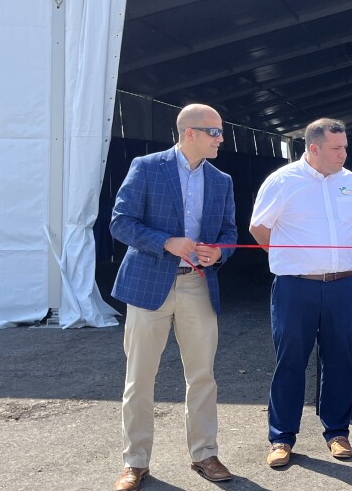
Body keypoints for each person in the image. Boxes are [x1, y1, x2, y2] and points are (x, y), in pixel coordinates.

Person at [109, 104, 238, 491]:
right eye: (214, 132)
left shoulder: (221, 180)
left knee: (202, 376)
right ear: (189, 133)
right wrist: (165, 241)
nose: (221, 139)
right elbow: (120, 222)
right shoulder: (147, 167)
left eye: (221, 131)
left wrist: (220, 252)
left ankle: (204, 453)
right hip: (148, 284)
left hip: (198, 284)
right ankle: (135, 462)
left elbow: (229, 232)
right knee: (139, 377)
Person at [249, 117, 352, 468]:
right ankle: (281, 438)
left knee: (339, 360)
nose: (343, 154)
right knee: (290, 361)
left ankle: (337, 433)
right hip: (296, 286)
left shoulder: (351, 181)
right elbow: (259, 228)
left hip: (341, 285)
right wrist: (294, 259)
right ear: (314, 148)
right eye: (337, 148)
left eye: (345, 146)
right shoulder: (283, 181)